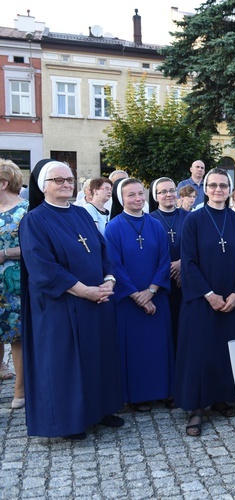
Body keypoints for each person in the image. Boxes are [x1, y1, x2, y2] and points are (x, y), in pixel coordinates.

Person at [20, 159, 124, 439]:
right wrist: (84, 290)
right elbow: (43, 268)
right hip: (61, 306)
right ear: (43, 186)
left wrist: (108, 280)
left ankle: (100, 410)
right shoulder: (35, 220)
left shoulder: (80, 214)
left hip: (96, 302)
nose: (67, 184)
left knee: (97, 357)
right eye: (58, 180)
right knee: (65, 365)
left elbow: (104, 251)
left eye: (70, 179)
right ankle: (70, 422)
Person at [174, 168, 235, 436]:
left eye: (223, 185)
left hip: (232, 299)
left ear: (229, 189)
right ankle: (196, 407)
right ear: (205, 189)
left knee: (225, 351)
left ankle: (220, 398)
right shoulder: (193, 221)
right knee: (200, 351)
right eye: (213, 185)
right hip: (202, 300)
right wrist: (209, 294)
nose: (218, 190)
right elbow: (189, 263)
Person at [106, 178, 173, 413]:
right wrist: (137, 296)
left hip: (157, 298)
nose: (137, 199)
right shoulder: (113, 227)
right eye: (131, 195)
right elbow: (114, 265)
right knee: (134, 350)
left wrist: (152, 291)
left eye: (140, 194)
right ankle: (137, 396)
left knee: (159, 347)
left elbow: (164, 260)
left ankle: (163, 390)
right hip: (129, 302)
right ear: (121, 199)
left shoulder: (155, 224)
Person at [149, 177, 188, 357]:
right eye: (163, 191)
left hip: (186, 282)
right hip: (161, 284)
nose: (168, 195)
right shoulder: (149, 220)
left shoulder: (188, 217)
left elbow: (196, 246)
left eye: (171, 190)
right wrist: (169, 268)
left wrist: (182, 263)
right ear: (155, 196)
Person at [0, 160, 27, 409]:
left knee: (16, 336)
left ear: (3, 183)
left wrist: (5, 253)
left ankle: (20, 390)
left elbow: (34, 248)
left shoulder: (25, 211)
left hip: (14, 283)